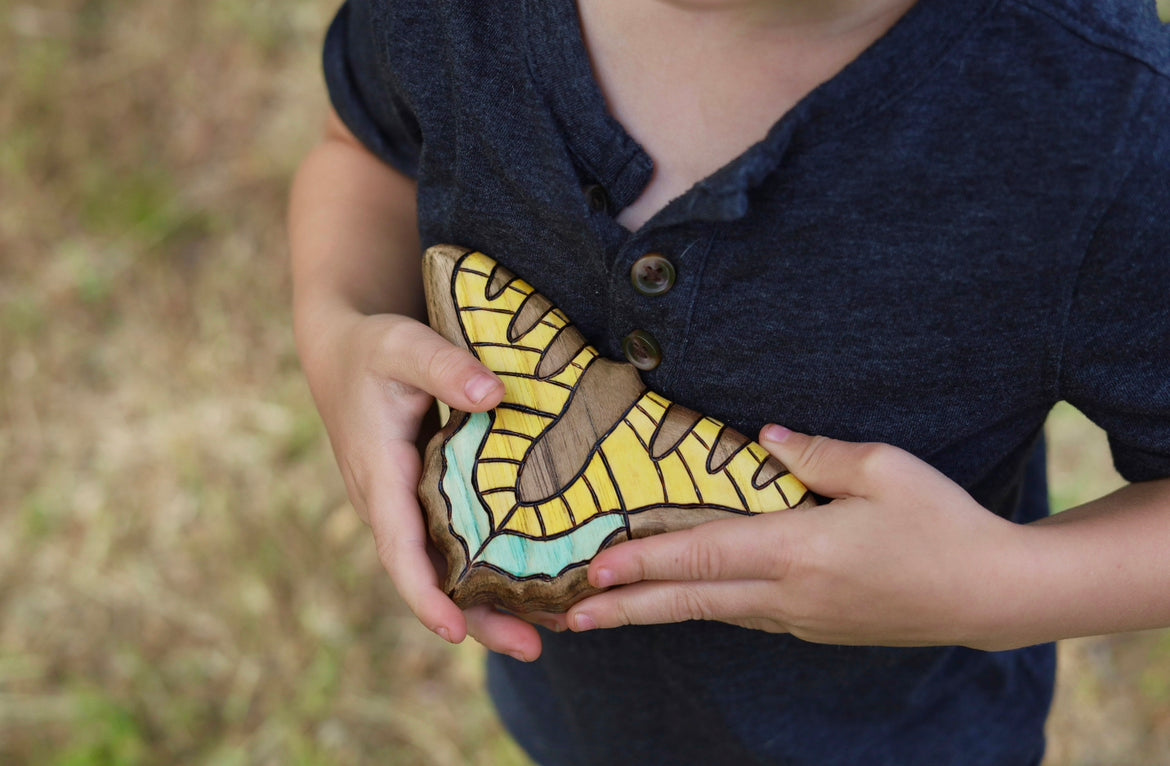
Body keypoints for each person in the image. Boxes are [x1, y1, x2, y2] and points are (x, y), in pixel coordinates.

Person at [288, 0, 1170, 762]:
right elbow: (366, 148)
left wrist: (997, 588)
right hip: (575, 718)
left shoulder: (1106, 119)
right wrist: (338, 326)